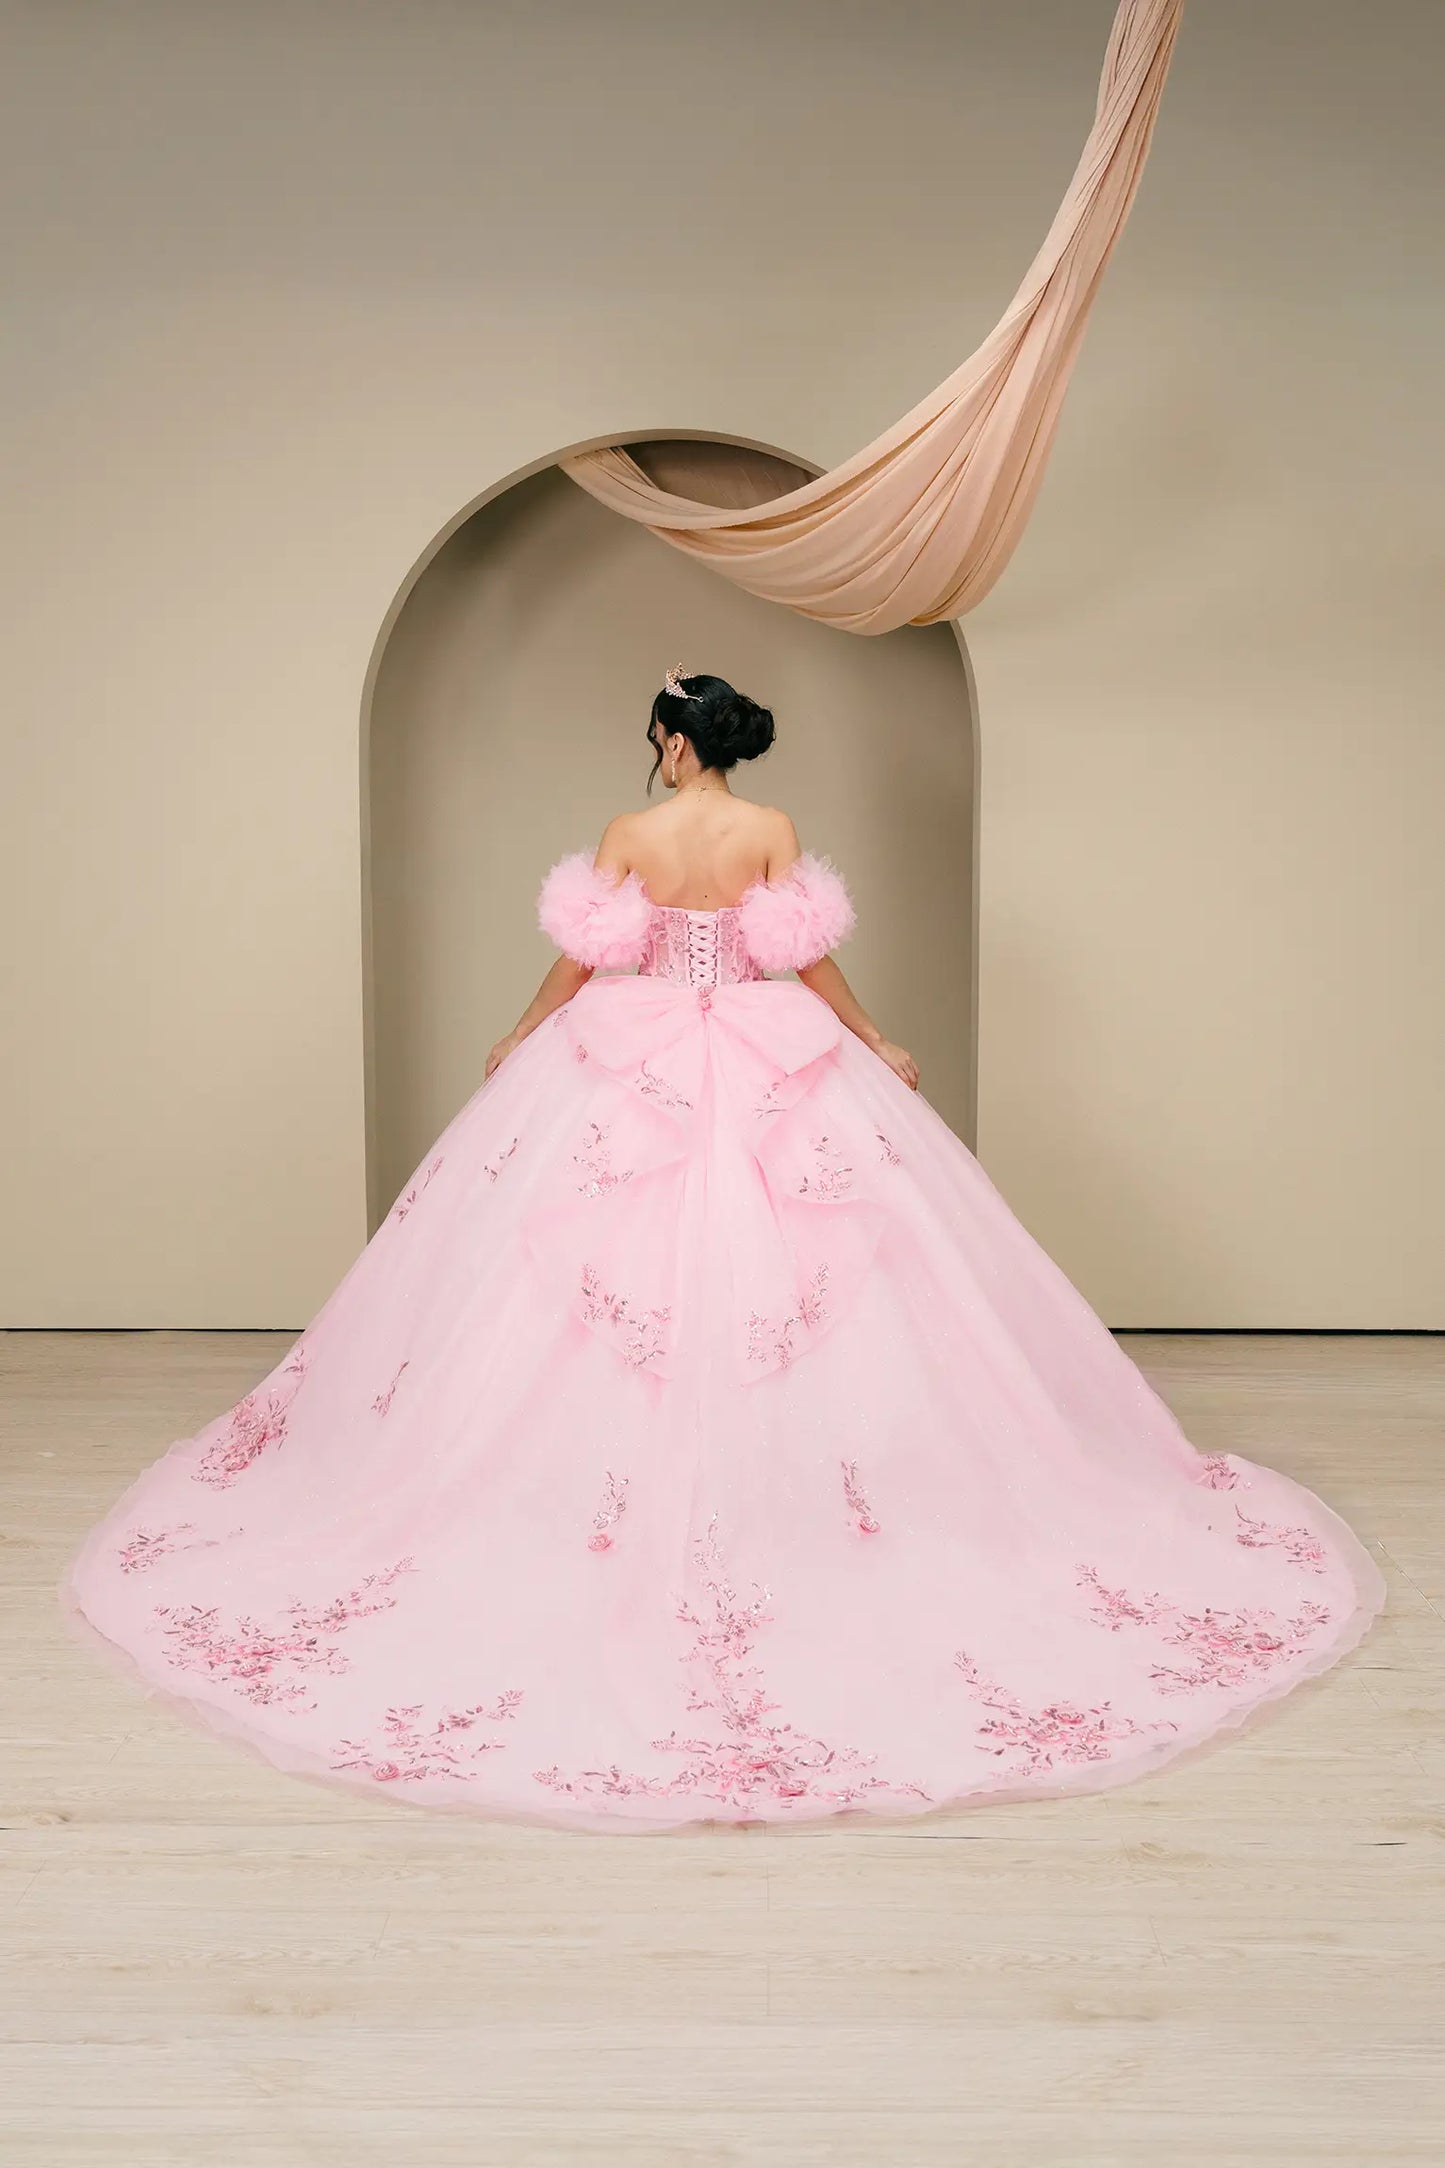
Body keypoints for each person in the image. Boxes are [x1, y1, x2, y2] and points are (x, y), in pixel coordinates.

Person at [63, 668, 1384, 1830]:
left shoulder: (632, 830)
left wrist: (523, 1036)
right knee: (831, 1274)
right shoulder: (771, 829)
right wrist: (870, 1042)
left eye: (655, 730)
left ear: (669, 737)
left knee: (572, 1279)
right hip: (758, 1049)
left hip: (634, 1053)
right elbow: (793, 958)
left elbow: (587, 961)